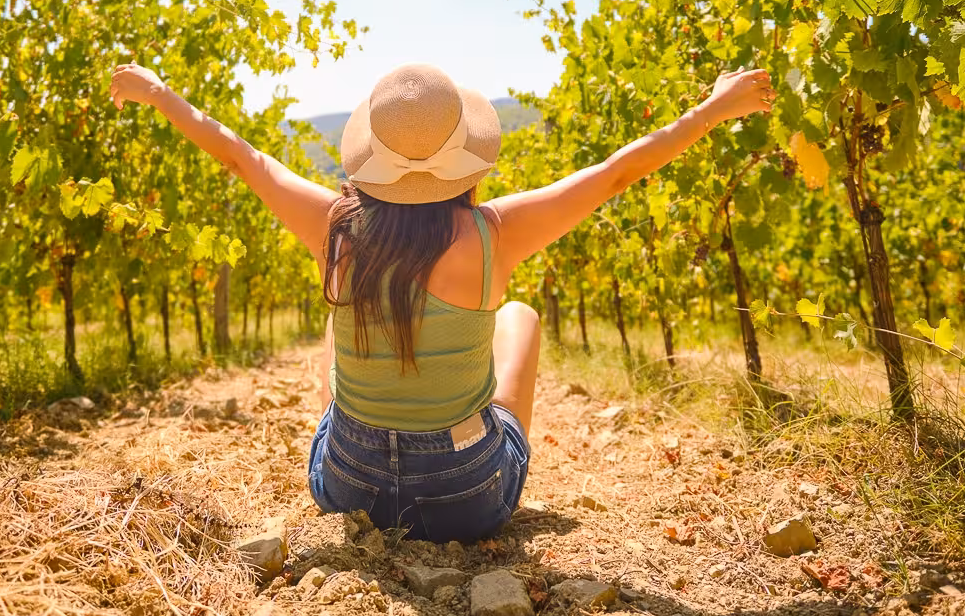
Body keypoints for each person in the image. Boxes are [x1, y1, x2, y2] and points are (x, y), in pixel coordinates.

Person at [109, 60, 774, 542]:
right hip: (467, 498)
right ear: (464, 161)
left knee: (337, 329)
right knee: (518, 316)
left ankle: (368, 429)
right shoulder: (494, 235)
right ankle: (467, 439)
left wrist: (157, 92)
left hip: (349, 490)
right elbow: (616, 172)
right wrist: (714, 107)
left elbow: (244, 159)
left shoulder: (334, 228)